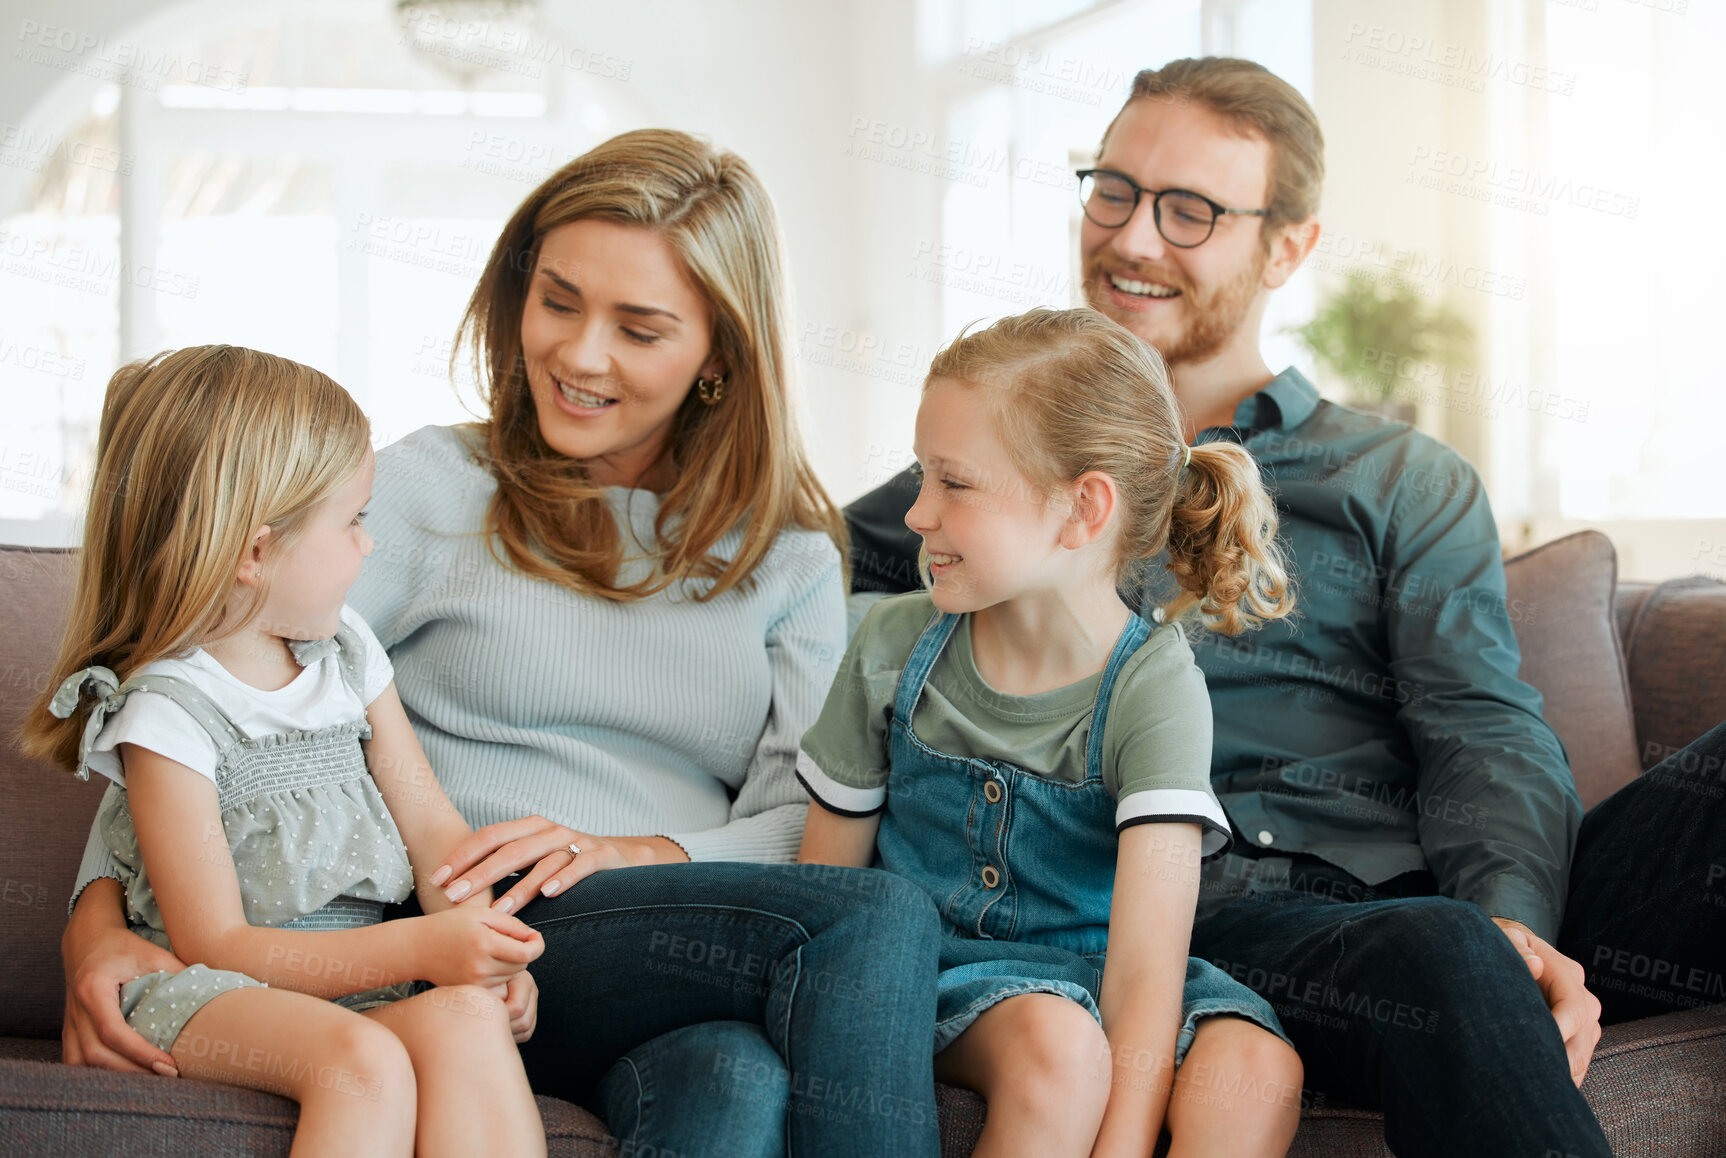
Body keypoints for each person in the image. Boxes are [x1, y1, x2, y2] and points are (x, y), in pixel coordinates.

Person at [844, 57, 1724, 1158]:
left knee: (1464, 937)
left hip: (1407, 898)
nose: (1131, 237)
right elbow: (803, 657)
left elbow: (1483, 732)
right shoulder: (955, 504)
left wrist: (1512, 921)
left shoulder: (1397, 477)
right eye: (1110, 190)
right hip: (1184, 916)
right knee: (1439, 954)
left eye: (1190, 211)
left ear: (1288, 245)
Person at [58, 130, 945, 1158]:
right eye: (557, 300)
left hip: (680, 944)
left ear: (719, 355)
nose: (579, 354)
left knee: (731, 1081)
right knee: (877, 917)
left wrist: (644, 851)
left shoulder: (789, 553)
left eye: (640, 327)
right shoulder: (423, 489)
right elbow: (210, 675)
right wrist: (96, 917)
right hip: (476, 927)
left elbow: (808, 808)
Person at [802, 308, 1304, 1158]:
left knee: (1257, 1069)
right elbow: (823, 902)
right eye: (922, 476)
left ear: (1083, 510)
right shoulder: (892, 644)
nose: (917, 513)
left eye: (954, 483)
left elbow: (1145, 974)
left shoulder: (1155, 685)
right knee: (1060, 1048)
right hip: (930, 975)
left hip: (1103, 974)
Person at [22, 346, 548, 1156]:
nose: (368, 547)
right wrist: (419, 947)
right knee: (361, 1062)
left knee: (468, 1017)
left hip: (350, 991)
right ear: (256, 552)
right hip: (202, 994)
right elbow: (215, 944)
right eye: (354, 521)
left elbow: (433, 829)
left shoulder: (349, 654)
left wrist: (487, 952)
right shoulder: (169, 715)